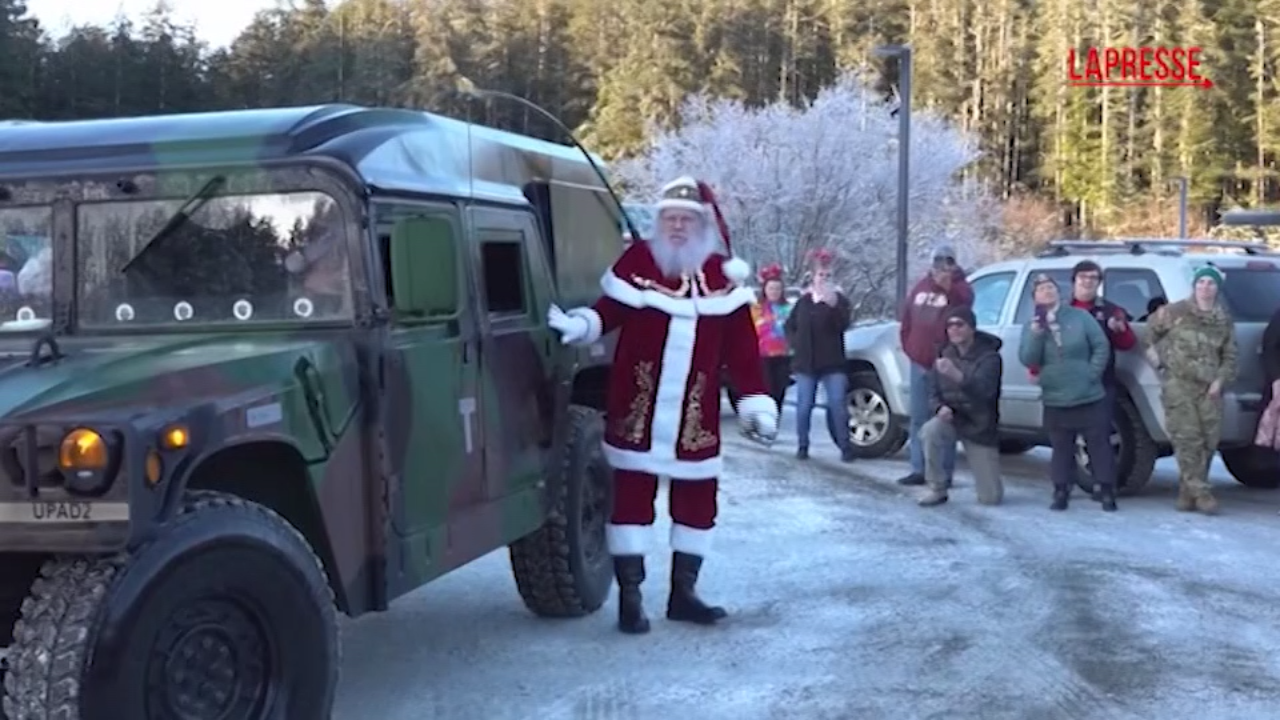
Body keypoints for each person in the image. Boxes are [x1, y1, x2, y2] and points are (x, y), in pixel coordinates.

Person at [546, 175, 778, 635]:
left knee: (698, 501)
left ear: (701, 226)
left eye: (685, 220)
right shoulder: (637, 262)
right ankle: (630, 598)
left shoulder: (722, 279)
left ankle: (683, 594)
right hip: (638, 409)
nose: (676, 227)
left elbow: (743, 350)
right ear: (658, 222)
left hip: (697, 418)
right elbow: (609, 312)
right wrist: (583, 325)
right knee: (631, 497)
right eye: (669, 218)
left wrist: (754, 399)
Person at [1027, 260, 1137, 499]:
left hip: (1099, 384)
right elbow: (1042, 346)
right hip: (1061, 386)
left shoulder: (1110, 311)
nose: (1088, 282)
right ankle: (1062, 487)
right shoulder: (1060, 310)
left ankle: (1104, 486)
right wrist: (1036, 369)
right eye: (1083, 277)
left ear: (1099, 283)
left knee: (1098, 438)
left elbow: (1126, 344)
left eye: (1093, 278)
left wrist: (1120, 330)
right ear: (1074, 281)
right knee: (1063, 440)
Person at [1017, 273, 1117, 511]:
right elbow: (1028, 358)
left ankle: (1105, 489)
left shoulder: (1079, 317)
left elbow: (1101, 345)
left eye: (1051, 287)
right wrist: (1036, 334)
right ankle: (1061, 490)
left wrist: (1092, 374)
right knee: (1061, 447)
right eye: (1041, 290)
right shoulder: (1031, 326)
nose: (1047, 292)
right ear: (1035, 298)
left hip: (1088, 394)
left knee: (1098, 445)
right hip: (1055, 396)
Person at [1146, 265, 1237, 514]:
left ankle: (1187, 493)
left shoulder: (1222, 318)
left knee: (1208, 442)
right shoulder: (1176, 311)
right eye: (1201, 283)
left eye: (1210, 283)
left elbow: (1229, 354)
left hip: (1210, 389)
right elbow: (1149, 332)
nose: (1205, 288)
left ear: (1217, 288)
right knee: (1188, 440)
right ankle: (1203, 493)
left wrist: (1220, 381)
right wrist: (1158, 360)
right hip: (1179, 386)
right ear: (1194, 286)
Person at [897, 245, 973, 487]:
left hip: (945, 362)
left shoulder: (962, 287)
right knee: (918, 417)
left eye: (948, 261)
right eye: (939, 261)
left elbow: (964, 310)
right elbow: (907, 318)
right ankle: (918, 468)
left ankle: (943, 473)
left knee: (944, 417)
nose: (942, 266)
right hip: (918, 361)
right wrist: (909, 347)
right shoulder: (921, 285)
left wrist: (948, 287)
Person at [917, 306, 1004, 507]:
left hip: (979, 425)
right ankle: (937, 488)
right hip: (953, 418)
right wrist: (939, 408)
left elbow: (985, 392)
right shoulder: (943, 353)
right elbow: (932, 392)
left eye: (959, 324)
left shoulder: (990, 357)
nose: (954, 329)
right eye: (950, 325)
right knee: (930, 431)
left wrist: (957, 375)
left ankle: (989, 482)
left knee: (991, 498)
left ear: (972, 328)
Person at [785, 248, 855, 462]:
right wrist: (797, 344)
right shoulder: (804, 302)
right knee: (804, 406)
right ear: (813, 278)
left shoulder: (839, 301)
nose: (823, 279)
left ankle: (845, 446)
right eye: (820, 275)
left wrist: (833, 306)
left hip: (832, 362)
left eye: (827, 276)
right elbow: (790, 326)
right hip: (806, 363)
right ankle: (803, 445)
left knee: (837, 405)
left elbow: (843, 325)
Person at [751, 262, 794, 413]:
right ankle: (766, 415)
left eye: (777, 289)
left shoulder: (789, 309)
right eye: (771, 288)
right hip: (762, 355)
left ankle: (776, 415)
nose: (774, 292)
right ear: (765, 290)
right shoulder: (756, 309)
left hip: (784, 354)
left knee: (780, 388)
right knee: (767, 387)